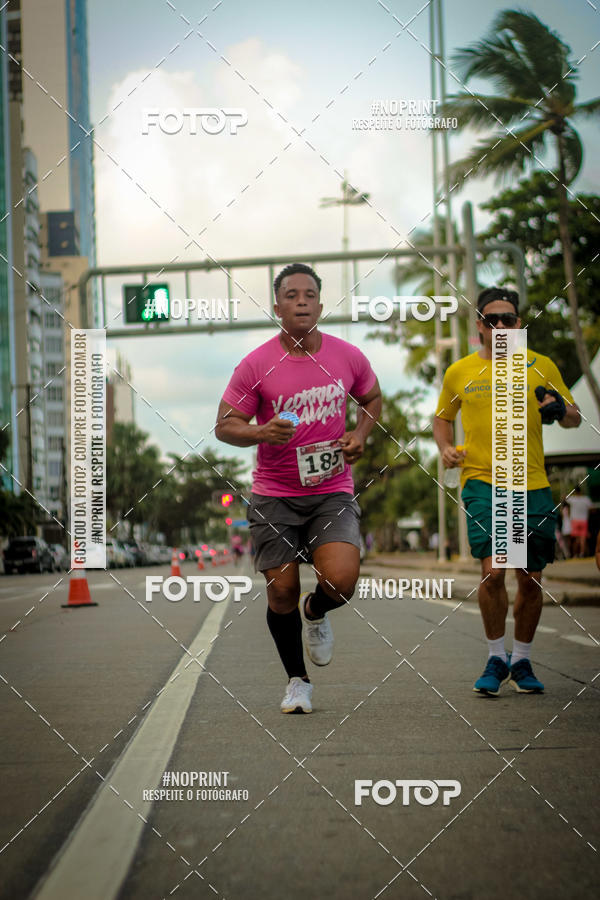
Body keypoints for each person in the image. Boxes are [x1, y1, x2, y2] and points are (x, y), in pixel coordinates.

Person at [215, 263, 382, 713]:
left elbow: (371, 398)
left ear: (321, 306)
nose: (302, 301)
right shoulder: (256, 364)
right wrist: (260, 432)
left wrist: (360, 435)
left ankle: (317, 611)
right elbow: (224, 425)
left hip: (331, 490)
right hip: (275, 496)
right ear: (277, 307)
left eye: (310, 294)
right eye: (291, 295)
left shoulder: (348, 357)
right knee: (281, 591)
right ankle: (297, 681)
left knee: (342, 581)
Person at [433, 287, 581, 695]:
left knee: (529, 579)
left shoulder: (540, 365)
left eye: (509, 320)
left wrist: (559, 411)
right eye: (492, 320)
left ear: (519, 324)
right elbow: (443, 418)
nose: (500, 326)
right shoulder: (459, 372)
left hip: (530, 483)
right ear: (479, 325)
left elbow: (573, 416)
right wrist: (445, 447)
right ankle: (496, 657)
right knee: (494, 570)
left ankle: (522, 659)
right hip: (482, 481)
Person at [566, 486, 592, 558]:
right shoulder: (586, 499)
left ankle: (575, 554)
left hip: (574, 520)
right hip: (584, 520)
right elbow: (591, 509)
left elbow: (564, 498)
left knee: (576, 539)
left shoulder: (572, 499)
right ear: (581, 491)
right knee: (583, 538)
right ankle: (582, 553)